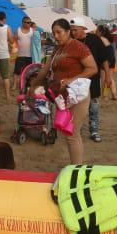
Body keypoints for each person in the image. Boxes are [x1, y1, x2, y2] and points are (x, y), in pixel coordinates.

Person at [30, 18, 96, 164]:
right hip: (63, 97)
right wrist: (33, 86)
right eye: (54, 33)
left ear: (68, 32)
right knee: (69, 133)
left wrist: (72, 79)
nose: (56, 36)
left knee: (72, 133)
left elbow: (92, 68)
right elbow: (45, 69)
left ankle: (76, 170)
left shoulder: (78, 47)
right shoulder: (57, 49)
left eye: (59, 32)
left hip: (77, 96)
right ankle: (76, 166)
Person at [71, 17, 109, 142]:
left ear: (83, 29)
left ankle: (94, 130)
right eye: (71, 30)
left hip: (93, 80)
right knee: (77, 106)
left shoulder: (94, 40)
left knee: (94, 106)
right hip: (75, 80)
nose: (73, 32)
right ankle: (78, 130)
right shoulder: (71, 42)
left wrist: (108, 76)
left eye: (75, 30)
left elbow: (104, 60)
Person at [95, 25, 117, 101]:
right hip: (111, 56)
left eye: (97, 30)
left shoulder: (100, 38)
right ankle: (114, 95)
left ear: (100, 32)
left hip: (106, 57)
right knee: (110, 77)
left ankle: (105, 96)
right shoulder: (107, 39)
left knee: (104, 78)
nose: (95, 31)